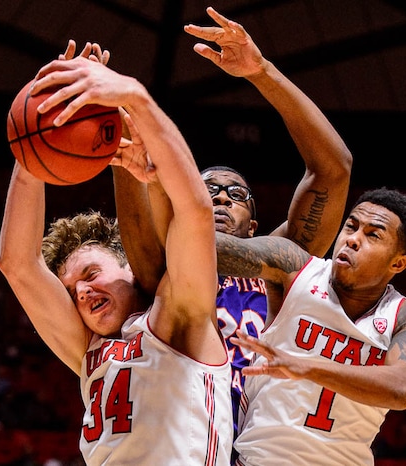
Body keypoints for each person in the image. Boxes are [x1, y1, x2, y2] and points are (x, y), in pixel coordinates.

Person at [116, 7, 353, 446]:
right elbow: (147, 251)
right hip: (186, 436)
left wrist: (262, 72)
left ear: (256, 225)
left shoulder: (281, 260)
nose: (221, 197)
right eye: (208, 190)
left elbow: (334, 171)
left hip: (264, 441)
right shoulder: (166, 266)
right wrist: (124, 154)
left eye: (236, 194)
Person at [0, 41, 233, 465]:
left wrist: (133, 97)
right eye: (71, 291)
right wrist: (41, 124)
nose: (82, 293)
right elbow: (17, 264)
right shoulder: (87, 351)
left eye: (89, 273)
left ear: (126, 263)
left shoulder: (180, 317)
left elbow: (195, 211)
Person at [215, 187, 406, 465]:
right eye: (351, 226)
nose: (353, 240)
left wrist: (307, 367)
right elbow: (209, 248)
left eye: (373, 235)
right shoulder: (295, 268)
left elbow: (401, 388)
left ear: (398, 262)